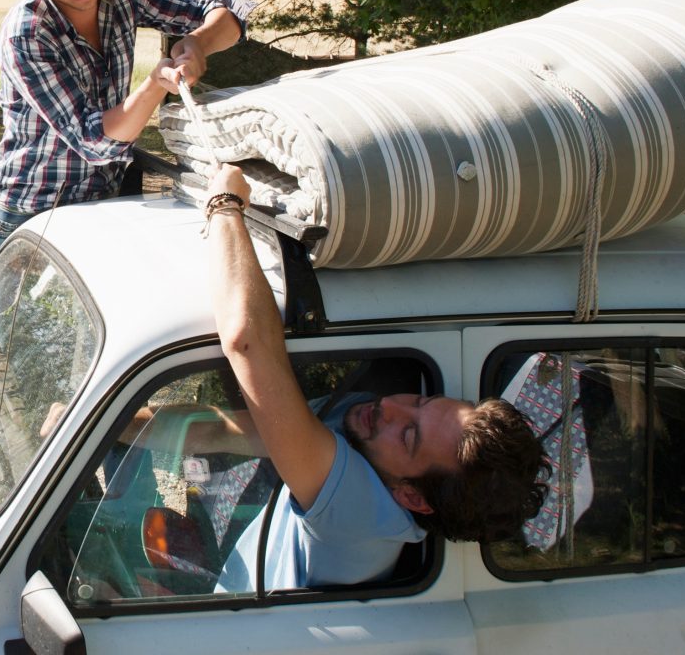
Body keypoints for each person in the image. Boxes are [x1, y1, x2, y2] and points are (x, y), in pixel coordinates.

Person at [195, 162, 546, 590]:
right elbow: (221, 431)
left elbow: (248, 343)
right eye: (421, 401)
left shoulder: (362, 515)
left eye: (409, 436)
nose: (391, 406)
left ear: (411, 497)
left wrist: (225, 205)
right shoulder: (366, 437)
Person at [0, 0, 257, 261]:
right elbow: (92, 142)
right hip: (35, 207)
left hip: (105, 197)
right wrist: (155, 85)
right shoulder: (26, 33)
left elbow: (229, 14)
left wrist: (198, 42)